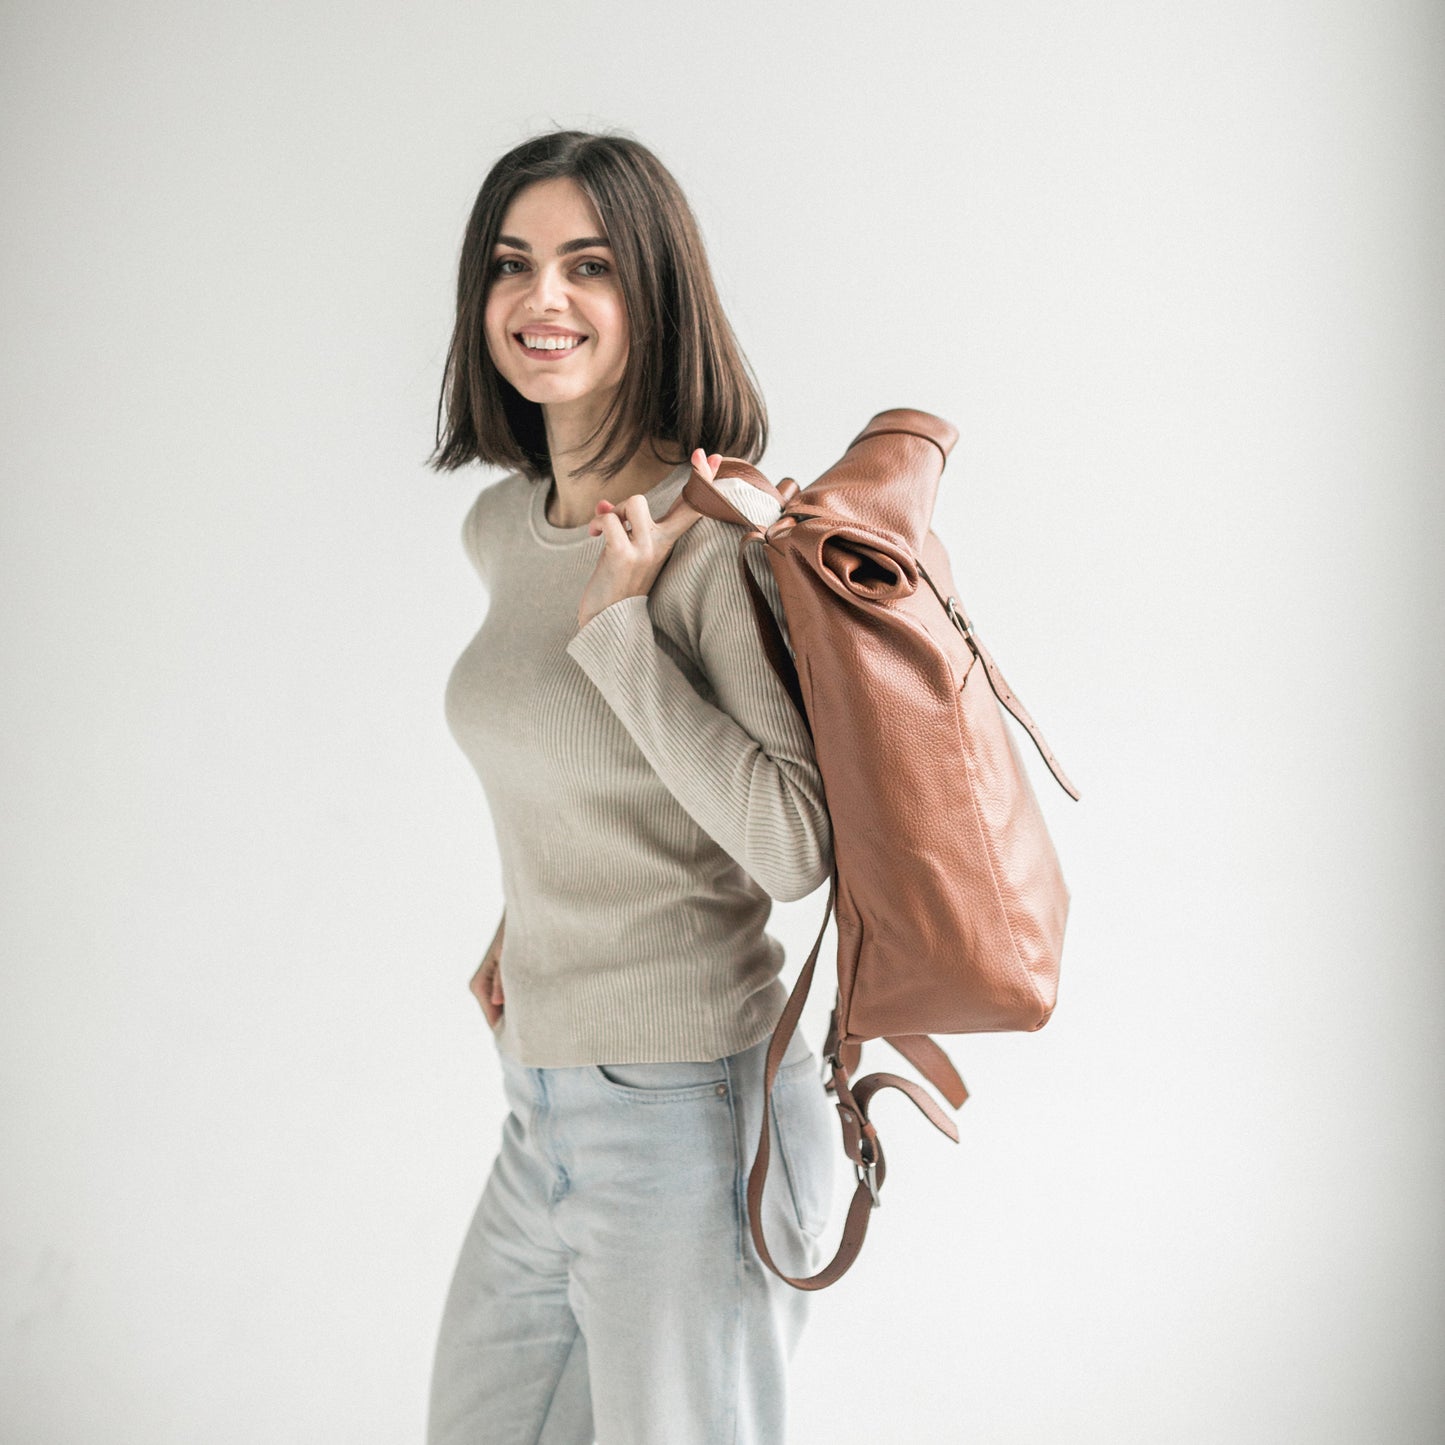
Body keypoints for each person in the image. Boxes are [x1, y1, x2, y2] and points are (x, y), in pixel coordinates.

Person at [425, 128, 838, 1445]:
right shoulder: (503, 527)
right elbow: (582, 771)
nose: (540, 301)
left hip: (683, 1109)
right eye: (512, 264)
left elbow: (790, 843)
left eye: (586, 266)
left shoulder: (713, 534)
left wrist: (622, 637)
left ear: (652, 293)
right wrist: (526, 920)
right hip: (536, 1097)